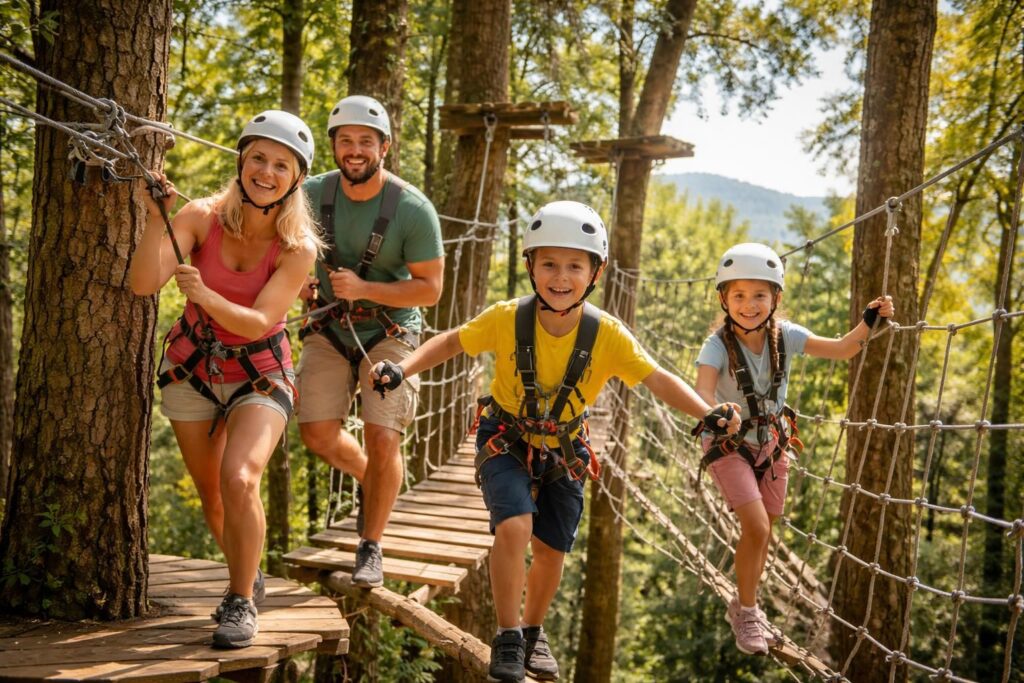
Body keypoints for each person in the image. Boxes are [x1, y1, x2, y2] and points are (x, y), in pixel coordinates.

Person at [369, 201, 741, 682]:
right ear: (530, 267)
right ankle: (506, 635)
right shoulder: (506, 318)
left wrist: (708, 412)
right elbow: (453, 342)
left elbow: (658, 379)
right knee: (515, 526)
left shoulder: (608, 335)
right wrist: (402, 368)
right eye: (548, 263)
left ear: (594, 273)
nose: (560, 277)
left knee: (551, 547)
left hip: (566, 446)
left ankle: (531, 630)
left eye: (573, 266)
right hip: (505, 435)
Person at [130, 110, 321, 649]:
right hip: (193, 368)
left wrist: (206, 296)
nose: (266, 171)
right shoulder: (200, 216)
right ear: (240, 162)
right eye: (257, 157)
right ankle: (247, 570)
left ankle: (240, 600)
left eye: (281, 164)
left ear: (297, 179)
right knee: (213, 494)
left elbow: (261, 320)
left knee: (240, 479)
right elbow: (144, 282)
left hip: (260, 373)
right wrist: (157, 217)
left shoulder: (298, 247)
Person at [693, 242, 895, 655]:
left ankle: (743, 602)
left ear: (776, 298)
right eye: (739, 295)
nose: (749, 305)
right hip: (729, 446)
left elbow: (841, 350)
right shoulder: (716, 346)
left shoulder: (787, 336)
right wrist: (716, 411)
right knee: (758, 528)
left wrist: (868, 324)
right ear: (724, 299)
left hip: (772, 446)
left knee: (763, 533)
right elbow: (702, 390)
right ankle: (748, 611)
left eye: (760, 295)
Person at [296, 95, 443, 588]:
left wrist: (365, 289)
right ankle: (371, 479)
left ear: (384, 146)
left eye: (365, 141)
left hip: (392, 330)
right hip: (331, 326)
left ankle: (371, 544)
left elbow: (431, 288)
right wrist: (296, 280)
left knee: (383, 433)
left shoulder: (412, 209)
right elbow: (275, 243)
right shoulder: (310, 194)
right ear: (334, 146)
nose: (354, 150)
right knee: (316, 433)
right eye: (345, 141)